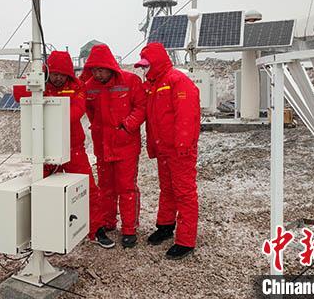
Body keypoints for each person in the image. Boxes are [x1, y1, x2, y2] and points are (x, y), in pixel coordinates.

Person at [13, 50, 114, 249]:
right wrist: (34, 77)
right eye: (55, 74)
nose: (58, 78)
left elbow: (76, 112)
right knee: (43, 191)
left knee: (88, 189)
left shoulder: (77, 87)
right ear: (48, 71)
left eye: (62, 74)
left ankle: (96, 229)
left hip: (73, 148)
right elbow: (17, 94)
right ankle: (46, 232)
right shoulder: (40, 84)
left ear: (69, 74)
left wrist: (47, 113)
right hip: (45, 150)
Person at [135, 42, 200, 260]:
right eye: (142, 66)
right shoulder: (153, 85)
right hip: (164, 148)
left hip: (180, 150)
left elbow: (187, 114)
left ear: (156, 62)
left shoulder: (177, 80)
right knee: (167, 189)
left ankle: (186, 240)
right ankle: (165, 226)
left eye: (146, 65)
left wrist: (184, 144)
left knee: (184, 192)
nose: (144, 70)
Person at [83, 44, 146, 248]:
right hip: (103, 146)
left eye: (100, 70)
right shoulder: (90, 86)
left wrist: (126, 127)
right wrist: (97, 128)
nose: (97, 74)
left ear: (110, 66)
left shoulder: (131, 81)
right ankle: (108, 222)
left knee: (127, 188)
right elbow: (90, 110)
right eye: (94, 70)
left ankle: (129, 229)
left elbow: (141, 107)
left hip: (125, 146)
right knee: (105, 188)